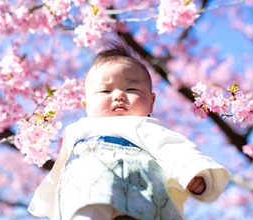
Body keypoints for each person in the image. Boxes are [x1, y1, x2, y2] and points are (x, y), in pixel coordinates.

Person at [27, 43, 229, 220]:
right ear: (86, 106)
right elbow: (61, 168)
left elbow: (172, 147)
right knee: (86, 199)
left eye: (131, 89)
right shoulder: (76, 131)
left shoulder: (142, 125)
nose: (118, 96)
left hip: (139, 195)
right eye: (105, 91)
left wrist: (192, 173)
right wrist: (48, 200)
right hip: (86, 190)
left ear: (151, 102)